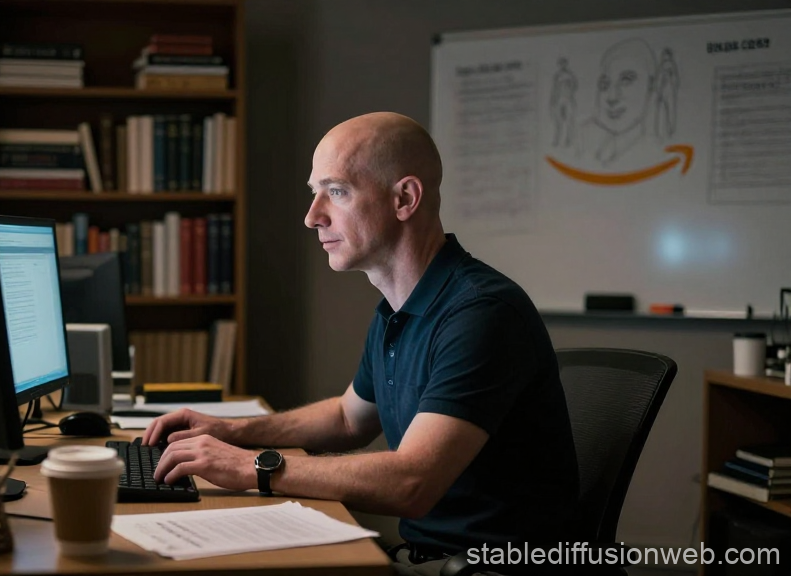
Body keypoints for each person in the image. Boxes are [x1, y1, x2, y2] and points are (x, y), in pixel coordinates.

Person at [146, 112, 579, 575]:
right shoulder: (399, 307)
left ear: (404, 199)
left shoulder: (482, 313)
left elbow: (412, 482)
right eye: (314, 193)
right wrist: (230, 431)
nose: (312, 217)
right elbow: (348, 418)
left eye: (336, 192)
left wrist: (252, 466)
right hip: (434, 561)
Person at [578, 38, 656, 165]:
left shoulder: (653, 152)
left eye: (626, 81)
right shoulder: (582, 138)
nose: (612, 97)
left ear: (651, 85)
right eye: (605, 84)